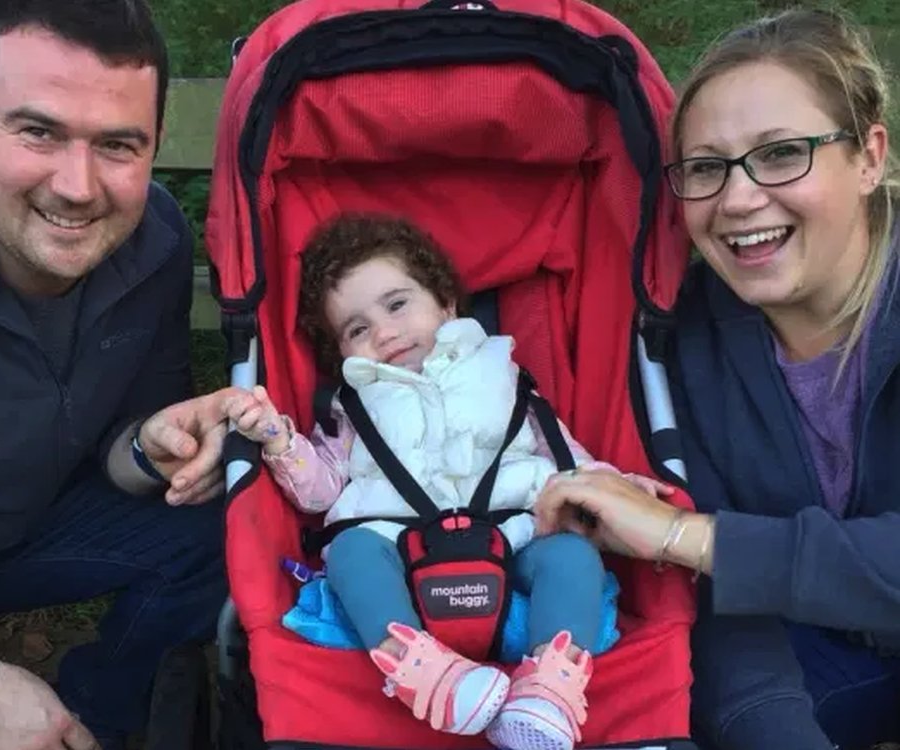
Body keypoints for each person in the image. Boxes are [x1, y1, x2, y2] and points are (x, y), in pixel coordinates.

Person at [531, 8, 899, 750]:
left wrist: (684, 535)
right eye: (706, 168)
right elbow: (728, 623)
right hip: (814, 665)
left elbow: (702, 554)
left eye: (781, 153)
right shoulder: (678, 340)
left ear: (868, 156)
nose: (736, 200)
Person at [0, 1, 236, 748]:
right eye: (39, 131)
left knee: (231, 518)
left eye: (118, 144)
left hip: (28, 532)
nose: (79, 188)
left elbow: (123, 454)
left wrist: (151, 444)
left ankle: (91, 722)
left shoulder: (153, 240)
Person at [227, 214, 672, 750]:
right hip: (400, 561)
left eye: (397, 305)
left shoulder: (507, 378)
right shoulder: (354, 407)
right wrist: (279, 441)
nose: (384, 333)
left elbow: (568, 460)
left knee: (573, 556)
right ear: (341, 353)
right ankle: (422, 673)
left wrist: (622, 488)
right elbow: (319, 492)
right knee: (348, 553)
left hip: (515, 546)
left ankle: (549, 687)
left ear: (446, 303)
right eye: (357, 329)